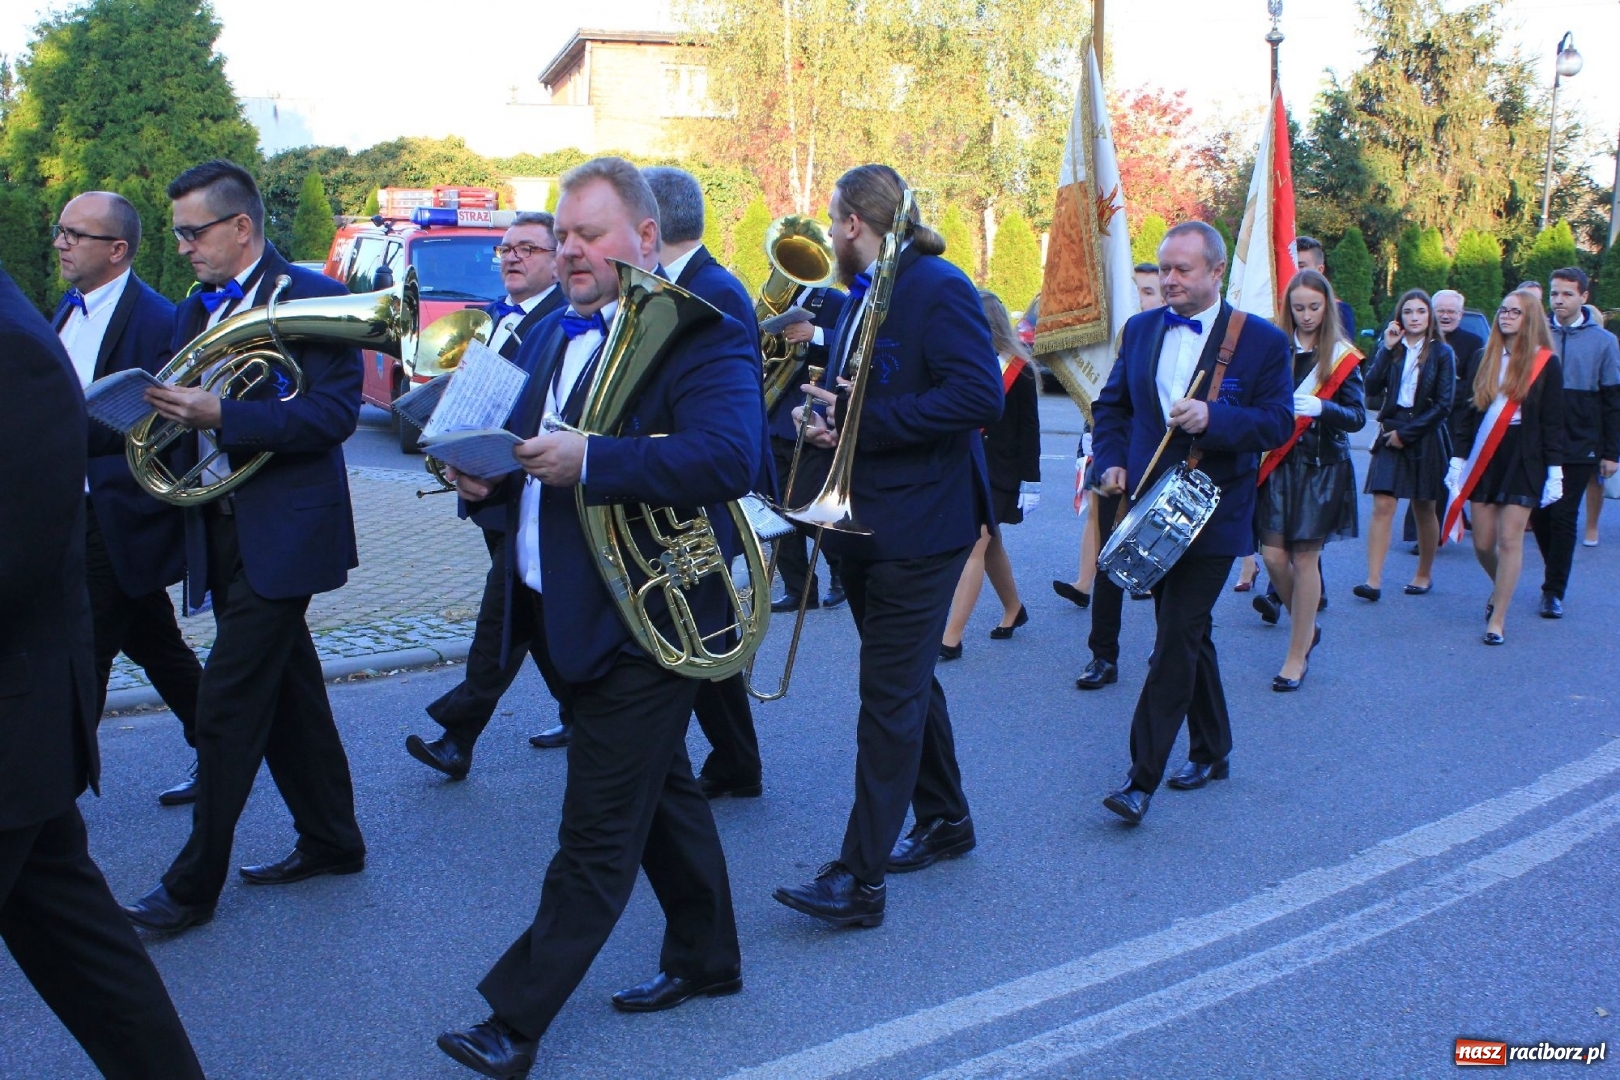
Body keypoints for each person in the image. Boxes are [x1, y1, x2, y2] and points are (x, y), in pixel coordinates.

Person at [433, 158, 757, 1078]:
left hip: (647, 617)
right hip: (558, 611)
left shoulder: (702, 332)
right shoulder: (549, 330)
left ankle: (514, 1021)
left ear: (645, 238)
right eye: (564, 234)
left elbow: (731, 457)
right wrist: (480, 475)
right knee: (661, 791)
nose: (570, 249)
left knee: (596, 831)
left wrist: (598, 461)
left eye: (589, 234)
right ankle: (707, 956)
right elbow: (518, 450)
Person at [121, 160, 367, 934]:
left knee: (227, 705)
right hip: (218, 525)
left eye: (193, 233)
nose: (183, 247)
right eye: (178, 234)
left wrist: (222, 415)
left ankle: (192, 886)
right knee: (292, 691)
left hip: (286, 530)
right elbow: (179, 413)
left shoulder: (317, 297)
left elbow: (332, 417)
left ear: (240, 227)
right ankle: (333, 839)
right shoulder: (192, 311)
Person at [773, 164, 1002, 925]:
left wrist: (860, 425)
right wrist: (820, 421)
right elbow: (858, 400)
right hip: (868, 518)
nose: (827, 229)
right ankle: (947, 819)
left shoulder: (938, 285)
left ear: (851, 223)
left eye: (831, 216)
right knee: (905, 685)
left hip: (922, 526)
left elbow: (979, 396)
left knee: (888, 698)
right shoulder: (862, 292)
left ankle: (860, 880)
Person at [1, 262, 206, 1080]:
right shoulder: (43, 319)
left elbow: (11, 559)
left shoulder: (10, 344)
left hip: (15, 711)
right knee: (89, 957)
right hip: (26, 721)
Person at [1091, 220, 1292, 824]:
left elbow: (1278, 422)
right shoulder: (1141, 328)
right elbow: (1113, 406)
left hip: (1215, 510)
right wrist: (1110, 461)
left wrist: (1215, 419)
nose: (1169, 279)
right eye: (1164, 268)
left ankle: (1140, 780)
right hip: (1151, 511)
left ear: (1216, 271)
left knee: (1176, 635)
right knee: (1189, 630)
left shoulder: (1261, 341)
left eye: (1183, 269)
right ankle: (1213, 747)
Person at [406, 211, 576, 780]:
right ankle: (581, 714)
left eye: (528, 248)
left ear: (557, 259)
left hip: (527, 492)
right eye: (506, 248)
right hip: (492, 489)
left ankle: (458, 735)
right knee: (533, 619)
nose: (512, 257)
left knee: (502, 620)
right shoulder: (498, 317)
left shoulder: (562, 319)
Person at [52, 190, 204, 806]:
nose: (60, 243)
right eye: (60, 231)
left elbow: (163, 429)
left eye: (74, 234)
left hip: (118, 517)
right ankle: (225, 745)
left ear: (117, 250)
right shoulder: (66, 310)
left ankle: (52, 800)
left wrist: (59, 432)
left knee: (81, 655)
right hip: (68, 512)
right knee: (155, 645)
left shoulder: (159, 320)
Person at [643, 165, 773, 800]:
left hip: (703, 489)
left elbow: (719, 403)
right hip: (686, 486)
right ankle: (736, 762)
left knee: (696, 629)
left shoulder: (711, 288)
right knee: (703, 628)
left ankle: (718, 764)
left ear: (653, 220)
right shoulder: (684, 282)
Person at [1253, 270, 1365, 690]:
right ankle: (1307, 626)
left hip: (1321, 467)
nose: (1306, 315)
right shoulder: (1275, 348)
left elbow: (1357, 416)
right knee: (1272, 557)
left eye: (1314, 307)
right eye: (1298, 307)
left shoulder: (1341, 355)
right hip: (1278, 464)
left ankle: (1296, 656)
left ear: (1327, 307)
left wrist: (1323, 409)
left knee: (1304, 559)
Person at [1446, 289, 1564, 645]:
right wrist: (1458, 458)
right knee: (1483, 543)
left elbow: (1552, 422)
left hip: (1525, 457)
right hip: (1486, 454)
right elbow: (1467, 413)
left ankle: (1498, 618)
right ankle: (1501, 588)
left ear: (1530, 320)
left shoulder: (1546, 363)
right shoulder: (1484, 357)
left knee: (1510, 539)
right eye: (1503, 310)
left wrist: (1555, 470)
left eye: (1515, 312)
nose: (1507, 316)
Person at [940, 289, 1040, 660]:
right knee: (990, 542)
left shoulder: (1019, 368)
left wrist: (1031, 480)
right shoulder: (965, 363)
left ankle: (951, 638)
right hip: (967, 466)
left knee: (973, 547)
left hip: (1001, 472)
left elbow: (1029, 429)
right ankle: (1014, 608)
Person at [1354, 288, 1455, 602]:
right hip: (1391, 430)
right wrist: (1385, 348)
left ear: (1429, 316)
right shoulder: (1393, 349)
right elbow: (1370, 387)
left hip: (1425, 433)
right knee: (1383, 505)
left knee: (1424, 507)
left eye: (1421, 311)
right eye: (1408, 311)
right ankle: (1373, 581)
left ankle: (1423, 573)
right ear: (1400, 317)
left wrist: (1408, 434)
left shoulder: (1442, 353)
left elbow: (1444, 405)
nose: (1414, 317)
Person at [1530, 268, 1619, 618]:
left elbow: (1612, 399)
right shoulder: (1537, 334)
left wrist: (1611, 451)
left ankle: (1553, 590)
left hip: (1581, 441)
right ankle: (1554, 567)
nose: (1559, 300)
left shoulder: (1604, 342)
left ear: (1583, 297)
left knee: (1564, 515)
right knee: (1540, 514)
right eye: (1554, 293)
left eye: (1567, 294)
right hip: (1538, 439)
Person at [1294, 235, 1357, 339]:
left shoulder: (1339, 310)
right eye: (1291, 266)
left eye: (1301, 266)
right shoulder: (1279, 310)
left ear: (1319, 270)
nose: (1294, 271)